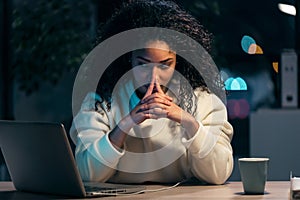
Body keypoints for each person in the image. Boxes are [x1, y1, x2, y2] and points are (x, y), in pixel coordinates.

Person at [70, 0, 234, 185]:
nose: (153, 77)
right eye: (143, 64)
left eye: (165, 64)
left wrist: (187, 121)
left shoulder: (203, 101)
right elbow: (87, 175)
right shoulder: (100, 102)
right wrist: (125, 125)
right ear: (128, 59)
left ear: (178, 62)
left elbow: (219, 174)